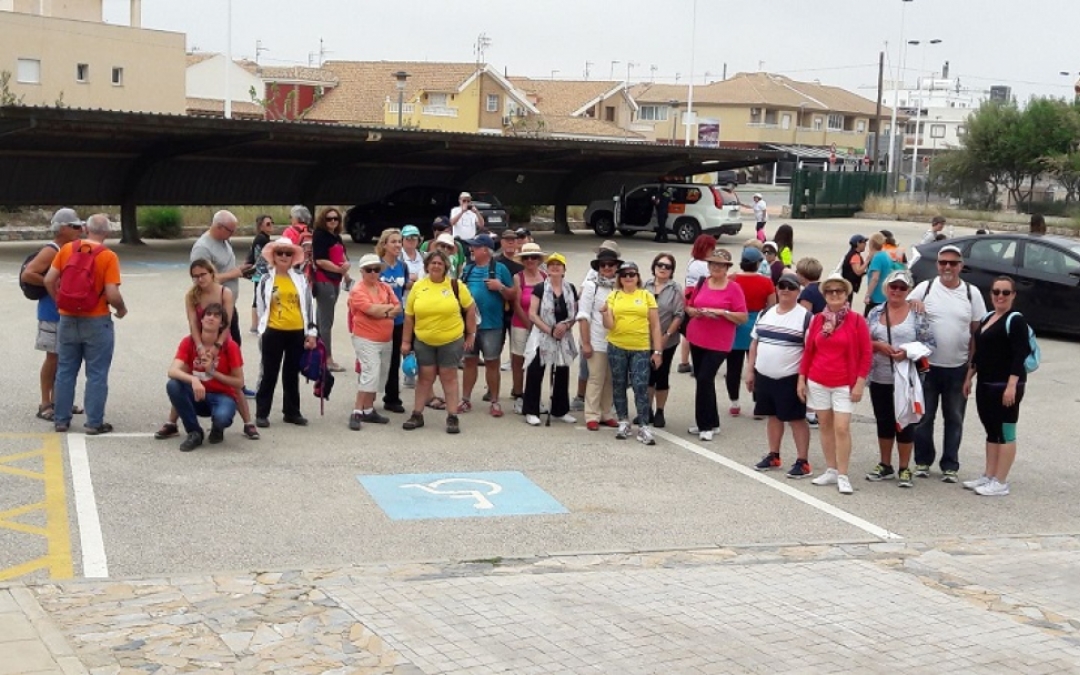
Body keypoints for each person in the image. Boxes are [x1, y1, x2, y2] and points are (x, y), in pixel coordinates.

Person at [906, 244, 986, 482]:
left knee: (954, 418)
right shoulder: (925, 288)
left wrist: (971, 370)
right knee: (924, 417)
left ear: (961, 266)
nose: (947, 267)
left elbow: (976, 333)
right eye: (943, 263)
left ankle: (950, 465)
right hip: (927, 367)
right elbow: (901, 309)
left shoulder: (972, 293)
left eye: (953, 263)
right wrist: (913, 304)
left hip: (958, 368)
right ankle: (922, 461)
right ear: (937, 265)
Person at [155, 259, 258, 442]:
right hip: (200, 338)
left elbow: (226, 322)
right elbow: (193, 323)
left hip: (223, 336)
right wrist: (199, 346)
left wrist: (218, 346)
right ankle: (172, 422)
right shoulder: (192, 295)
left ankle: (248, 422)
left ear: (212, 273)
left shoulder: (224, 292)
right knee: (185, 374)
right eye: (195, 276)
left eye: (202, 274)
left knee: (232, 379)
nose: (199, 279)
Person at [44, 213, 127, 434]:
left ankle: (61, 420)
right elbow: (112, 293)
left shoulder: (67, 250)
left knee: (65, 370)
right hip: (96, 319)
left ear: (86, 229)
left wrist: (59, 302)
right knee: (97, 373)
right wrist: (121, 309)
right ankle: (94, 423)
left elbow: (49, 279)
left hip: (67, 318)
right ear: (107, 233)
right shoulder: (108, 256)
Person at [800, 274, 872, 495]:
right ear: (824, 295)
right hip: (818, 379)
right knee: (824, 425)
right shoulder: (818, 320)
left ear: (846, 294)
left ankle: (843, 474)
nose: (834, 295)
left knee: (841, 428)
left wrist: (860, 383)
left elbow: (866, 353)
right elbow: (809, 351)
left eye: (838, 291)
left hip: (844, 383)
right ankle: (831, 469)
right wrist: (801, 378)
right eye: (829, 291)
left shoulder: (856, 320)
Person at [865, 269, 934, 488]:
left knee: (905, 422)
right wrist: (877, 345)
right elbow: (863, 340)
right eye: (893, 286)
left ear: (908, 290)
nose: (897, 291)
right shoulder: (875, 312)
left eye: (902, 287)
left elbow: (930, 344)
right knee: (883, 420)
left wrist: (907, 352)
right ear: (886, 288)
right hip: (880, 376)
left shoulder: (916, 313)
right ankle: (885, 464)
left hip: (907, 378)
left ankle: (905, 468)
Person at [963, 276, 1030, 497]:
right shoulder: (987, 318)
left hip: (1006, 385)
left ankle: (1001, 481)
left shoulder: (1015, 320)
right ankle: (989, 475)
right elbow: (980, 352)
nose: (1000, 296)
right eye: (996, 292)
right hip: (986, 383)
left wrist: (1011, 386)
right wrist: (969, 377)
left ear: (1013, 295)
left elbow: (1020, 354)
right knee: (992, 430)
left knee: (1006, 431)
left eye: (1005, 292)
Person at [401, 250, 476, 434]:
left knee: (449, 377)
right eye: (433, 263)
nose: (436, 266)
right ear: (427, 266)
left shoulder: (456, 286)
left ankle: (452, 416)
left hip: (451, 340)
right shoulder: (418, 287)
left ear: (445, 267)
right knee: (425, 378)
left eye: (440, 263)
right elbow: (409, 316)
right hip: (423, 340)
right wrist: (406, 342)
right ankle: (417, 414)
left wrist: (471, 334)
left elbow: (470, 308)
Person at [21, 208, 85, 422]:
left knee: (65, 358)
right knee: (53, 358)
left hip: (65, 312)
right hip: (51, 313)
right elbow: (28, 274)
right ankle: (45, 403)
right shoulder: (52, 250)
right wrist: (54, 283)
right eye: (75, 226)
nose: (79, 230)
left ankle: (60, 400)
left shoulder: (70, 248)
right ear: (62, 228)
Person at [748, 273, 813, 478]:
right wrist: (750, 371)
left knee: (796, 419)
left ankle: (803, 461)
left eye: (791, 287)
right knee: (773, 416)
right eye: (782, 285)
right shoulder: (765, 313)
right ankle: (773, 455)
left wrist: (802, 380)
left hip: (790, 378)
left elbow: (810, 352)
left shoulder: (806, 317)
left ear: (798, 291)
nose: (785, 290)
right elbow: (754, 343)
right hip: (764, 376)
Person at [683, 248, 748, 441]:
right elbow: (690, 305)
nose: (716, 268)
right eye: (713, 264)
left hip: (719, 342)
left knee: (704, 377)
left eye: (720, 265)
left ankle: (705, 425)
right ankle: (712, 422)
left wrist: (722, 313)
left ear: (727, 268)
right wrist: (693, 311)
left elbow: (743, 317)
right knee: (703, 380)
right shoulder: (702, 282)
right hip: (697, 336)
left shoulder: (734, 288)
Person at [254, 240, 318, 428]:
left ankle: (291, 412)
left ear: (293, 257)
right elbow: (261, 307)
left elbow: (309, 305)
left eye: (288, 253)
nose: (284, 256)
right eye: (280, 253)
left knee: (291, 374)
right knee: (269, 372)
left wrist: (311, 332)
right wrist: (263, 329)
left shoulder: (300, 278)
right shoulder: (266, 279)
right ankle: (262, 413)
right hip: (273, 331)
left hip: (297, 332)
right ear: (273, 256)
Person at [166, 304, 245, 452]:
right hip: (198, 395)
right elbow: (172, 371)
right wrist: (194, 380)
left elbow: (239, 382)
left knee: (222, 417)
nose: (211, 318)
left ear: (221, 324)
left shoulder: (230, 346)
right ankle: (194, 432)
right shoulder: (188, 342)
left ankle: (218, 427)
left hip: (222, 396)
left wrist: (212, 371)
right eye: (208, 314)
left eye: (216, 316)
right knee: (173, 385)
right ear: (201, 320)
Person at [601, 261, 664, 444]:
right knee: (619, 384)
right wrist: (604, 314)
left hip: (640, 347)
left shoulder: (646, 296)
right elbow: (609, 325)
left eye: (632, 274)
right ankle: (623, 421)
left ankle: (644, 425)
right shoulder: (614, 296)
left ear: (638, 277)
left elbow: (655, 326)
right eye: (624, 275)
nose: (628, 277)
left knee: (640, 386)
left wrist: (658, 351)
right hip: (617, 345)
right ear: (620, 278)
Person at [459, 233, 514, 417]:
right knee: (469, 361)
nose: (471, 249)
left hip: (492, 325)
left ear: (485, 250)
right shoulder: (468, 269)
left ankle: (494, 401)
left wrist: (500, 287)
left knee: (492, 362)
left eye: (474, 247)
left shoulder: (500, 269)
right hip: (469, 326)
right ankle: (465, 399)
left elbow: (513, 294)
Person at [346, 254, 402, 430]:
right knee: (370, 372)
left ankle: (368, 409)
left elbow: (398, 307)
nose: (373, 273)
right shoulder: (358, 290)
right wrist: (388, 310)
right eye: (369, 270)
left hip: (385, 338)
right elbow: (370, 309)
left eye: (376, 269)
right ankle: (357, 410)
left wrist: (382, 311)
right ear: (362, 271)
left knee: (379, 375)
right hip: (365, 338)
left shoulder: (385, 287)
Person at [523, 252, 578, 426]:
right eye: (551, 265)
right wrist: (550, 330)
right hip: (542, 335)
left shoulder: (571, 288)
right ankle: (531, 410)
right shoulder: (540, 288)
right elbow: (532, 314)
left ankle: (559, 410)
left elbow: (574, 314)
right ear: (547, 269)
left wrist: (565, 326)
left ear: (564, 269)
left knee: (562, 372)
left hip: (563, 336)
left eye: (558, 265)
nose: (555, 267)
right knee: (535, 371)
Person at [191, 210, 251, 349]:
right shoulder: (203, 248)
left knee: (234, 346)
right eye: (231, 231)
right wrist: (232, 274)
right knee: (221, 347)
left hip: (228, 304)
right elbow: (201, 280)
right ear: (219, 227)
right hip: (213, 308)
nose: (233, 234)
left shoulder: (224, 240)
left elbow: (225, 267)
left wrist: (240, 270)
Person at [728, 247, 776, 417]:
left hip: (736, 323)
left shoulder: (732, 279)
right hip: (757, 324)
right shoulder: (766, 282)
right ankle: (758, 403)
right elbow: (771, 306)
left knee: (733, 367)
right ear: (757, 263)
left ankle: (734, 402)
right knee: (756, 366)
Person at [578, 248, 622, 431]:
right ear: (598, 267)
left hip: (616, 341)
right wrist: (586, 343)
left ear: (616, 266)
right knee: (596, 378)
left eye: (610, 265)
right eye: (603, 265)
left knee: (610, 379)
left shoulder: (620, 286)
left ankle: (606, 413)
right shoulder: (591, 286)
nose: (607, 268)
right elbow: (583, 316)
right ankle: (591, 414)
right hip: (596, 340)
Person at [644, 252, 684, 429]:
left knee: (661, 374)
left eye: (667, 266)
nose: (663, 268)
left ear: (672, 270)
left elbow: (679, 315)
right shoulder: (645, 286)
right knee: (647, 375)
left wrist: (666, 335)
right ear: (654, 266)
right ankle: (646, 409)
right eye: (660, 265)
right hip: (645, 339)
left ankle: (660, 411)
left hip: (667, 339)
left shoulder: (675, 289)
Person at [311, 206, 351, 372]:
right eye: (329, 219)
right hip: (324, 281)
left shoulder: (336, 236)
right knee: (326, 322)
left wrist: (346, 272)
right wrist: (340, 269)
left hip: (335, 280)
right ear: (323, 220)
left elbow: (342, 256)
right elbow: (320, 260)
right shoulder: (320, 235)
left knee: (322, 320)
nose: (333, 221)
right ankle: (327, 359)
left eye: (336, 218)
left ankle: (317, 355)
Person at [510, 242, 548, 413]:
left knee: (537, 363)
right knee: (518, 361)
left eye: (534, 257)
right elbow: (517, 304)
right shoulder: (518, 277)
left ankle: (533, 396)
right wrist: (529, 324)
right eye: (526, 257)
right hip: (521, 324)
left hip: (541, 326)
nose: (530, 260)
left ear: (539, 259)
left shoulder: (545, 277)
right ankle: (519, 395)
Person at [376, 228, 408, 413]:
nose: (397, 245)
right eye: (393, 241)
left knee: (395, 360)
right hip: (380, 320)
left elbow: (403, 292)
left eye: (399, 241)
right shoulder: (377, 265)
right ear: (384, 245)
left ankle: (392, 397)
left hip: (398, 320)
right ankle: (367, 397)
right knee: (377, 360)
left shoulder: (403, 266)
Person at [677, 233, 716, 374]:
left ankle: (684, 362)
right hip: (699, 297)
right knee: (699, 333)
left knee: (688, 332)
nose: (713, 251)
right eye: (712, 248)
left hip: (689, 296)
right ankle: (697, 363)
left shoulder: (692, 261)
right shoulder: (704, 265)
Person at [246, 214, 274, 334]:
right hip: (261, 273)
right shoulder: (262, 239)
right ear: (260, 226)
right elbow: (264, 256)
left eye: (272, 223)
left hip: (260, 273)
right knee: (259, 298)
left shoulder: (262, 238)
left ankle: (256, 325)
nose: (271, 225)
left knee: (258, 297)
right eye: (268, 224)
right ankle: (255, 325)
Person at [862, 232, 892, 317]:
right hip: (884, 295)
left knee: (868, 320)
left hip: (876, 297)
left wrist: (868, 295)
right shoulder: (885, 255)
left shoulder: (877, 258)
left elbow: (875, 278)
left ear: (871, 244)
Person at [281, 205, 314, 275]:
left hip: (294, 268)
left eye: (291, 217)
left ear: (296, 218)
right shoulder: (311, 232)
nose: (290, 219)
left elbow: (282, 249)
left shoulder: (289, 231)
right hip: (309, 268)